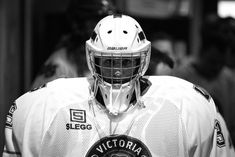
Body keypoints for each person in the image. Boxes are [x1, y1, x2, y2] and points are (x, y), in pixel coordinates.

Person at [3, 14, 235, 157]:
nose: (116, 70)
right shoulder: (45, 106)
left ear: (143, 60)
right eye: (108, 62)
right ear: (92, 59)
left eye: (126, 62)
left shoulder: (189, 105)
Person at [171, 14, 235, 145]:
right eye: (212, 62)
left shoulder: (229, 79)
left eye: (221, 63)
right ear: (201, 53)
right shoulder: (181, 76)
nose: (216, 67)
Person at [31, 0, 116, 89]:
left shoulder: (109, 59)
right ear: (78, 24)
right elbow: (40, 100)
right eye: (95, 21)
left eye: (105, 22)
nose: (102, 27)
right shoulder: (60, 65)